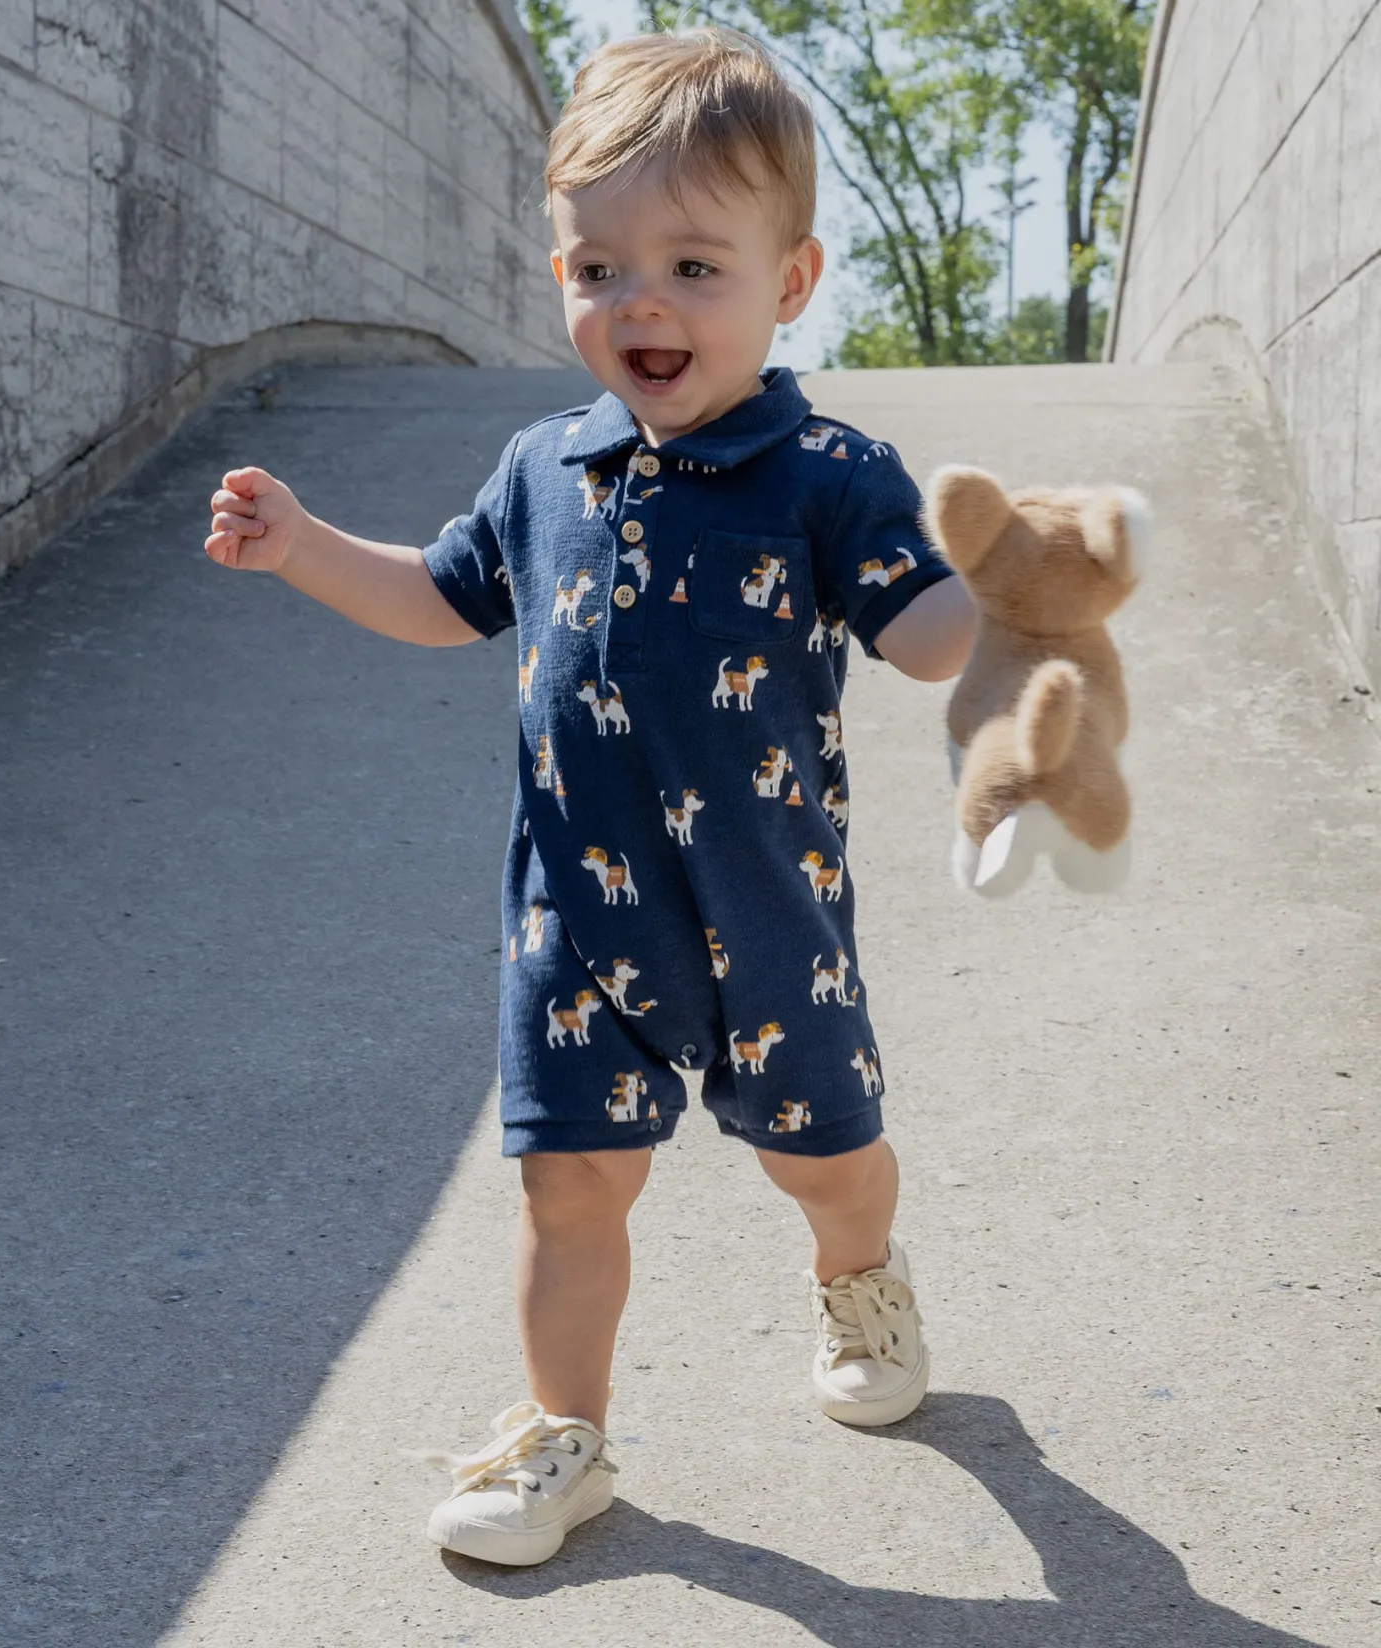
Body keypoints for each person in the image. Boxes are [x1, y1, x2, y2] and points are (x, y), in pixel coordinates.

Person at [204, 27, 976, 1569]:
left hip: (770, 914)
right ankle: (567, 1435)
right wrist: (303, 548)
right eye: (597, 267)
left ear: (793, 279)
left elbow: (926, 633)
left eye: (696, 265)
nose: (641, 303)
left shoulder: (829, 470)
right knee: (567, 1190)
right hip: (579, 913)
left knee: (823, 1158)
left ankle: (862, 1272)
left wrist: (999, 599)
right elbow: (440, 597)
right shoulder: (544, 467)